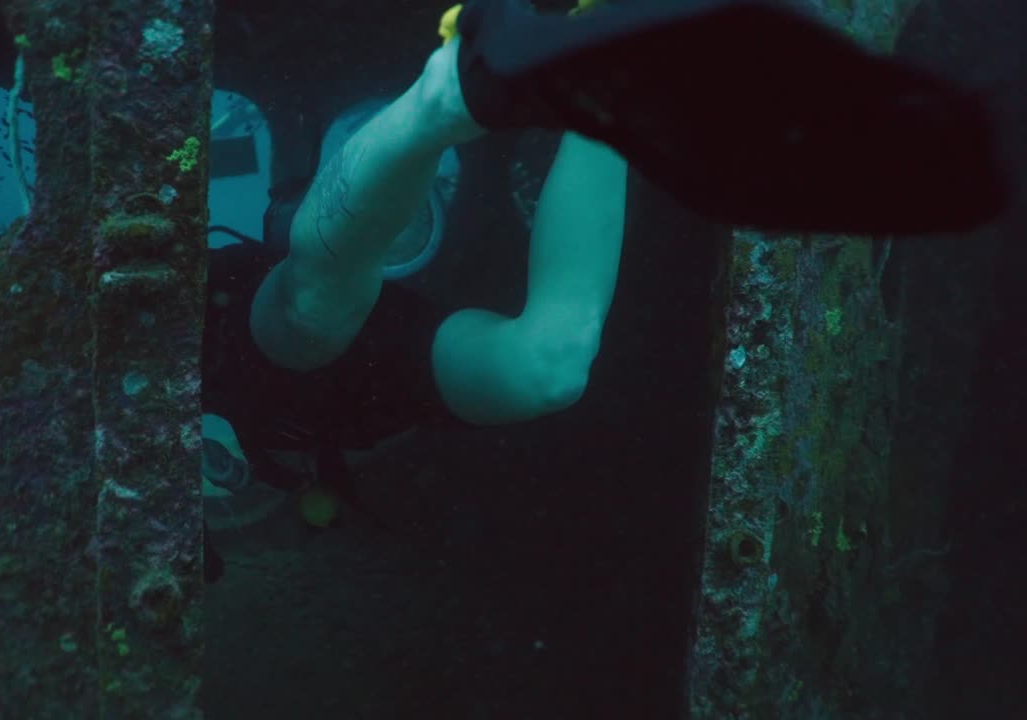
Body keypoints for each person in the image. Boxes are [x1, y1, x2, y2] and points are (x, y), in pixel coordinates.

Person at [202, 0, 1010, 580]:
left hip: (267, 352)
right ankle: (568, 69)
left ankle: (477, 94)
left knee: (345, 326)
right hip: (315, 401)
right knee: (478, 353)